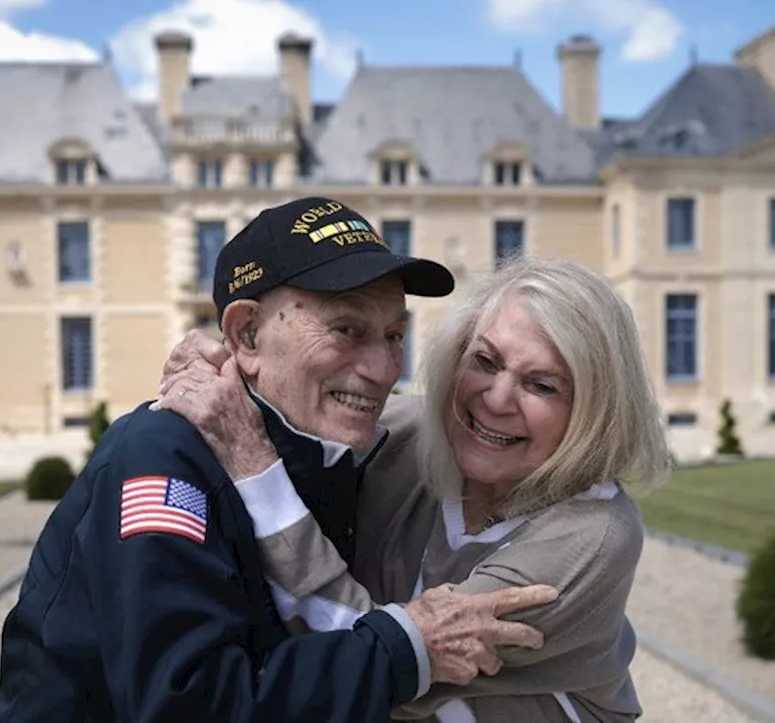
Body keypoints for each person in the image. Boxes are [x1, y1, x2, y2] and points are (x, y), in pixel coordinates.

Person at [0, 197, 562, 723]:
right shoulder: (162, 460)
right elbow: (185, 705)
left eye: (392, 336)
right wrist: (407, 646)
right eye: (346, 329)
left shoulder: (333, 454)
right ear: (248, 334)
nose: (385, 369)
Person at [155, 257, 674, 721]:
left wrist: (254, 467)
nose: (495, 399)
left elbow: (371, 666)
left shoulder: (592, 534)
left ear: (594, 411)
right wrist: (225, 365)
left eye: (542, 385)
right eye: (485, 361)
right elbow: (276, 404)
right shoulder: (406, 430)